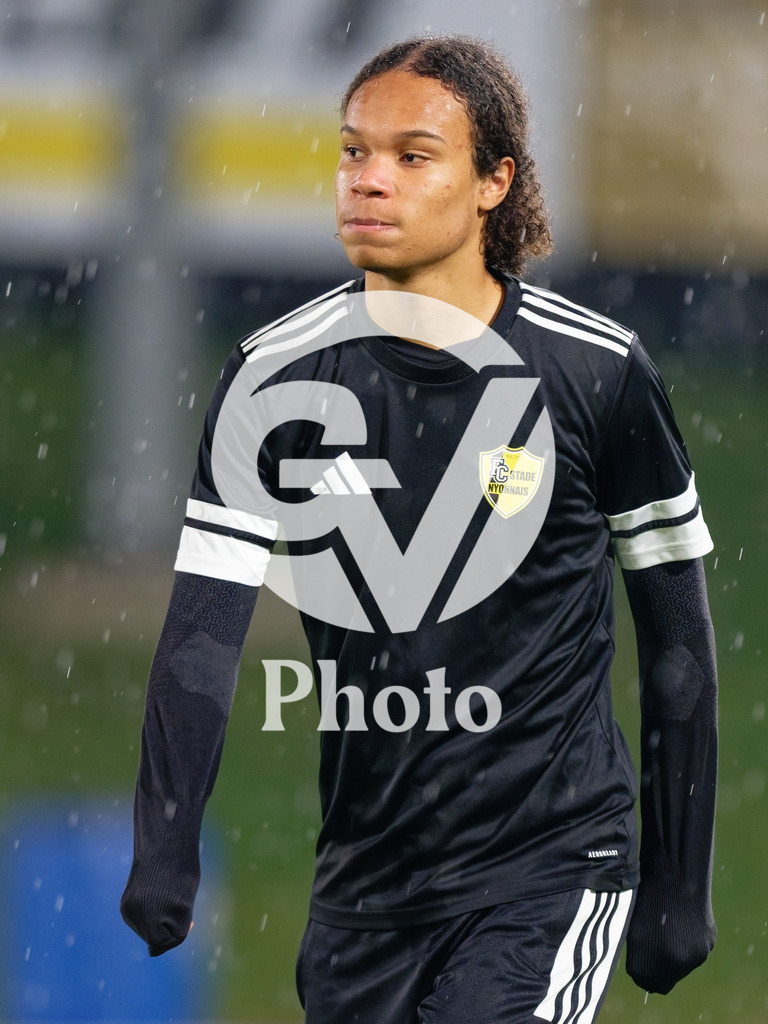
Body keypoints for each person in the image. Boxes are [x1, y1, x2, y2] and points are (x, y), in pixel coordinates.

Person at [120, 35, 718, 1024]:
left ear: (494, 182)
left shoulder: (598, 374)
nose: (368, 179)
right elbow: (200, 637)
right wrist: (167, 841)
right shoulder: (274, 378)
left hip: (550, 867)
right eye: (354, 152)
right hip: (364, 889)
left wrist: (680, 873)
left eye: (411, 155)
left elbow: (679, 638)